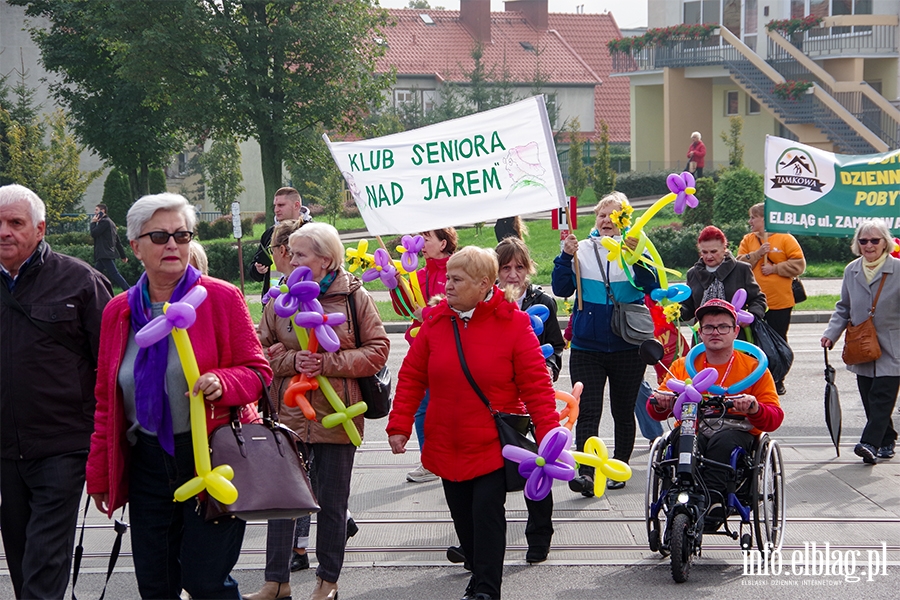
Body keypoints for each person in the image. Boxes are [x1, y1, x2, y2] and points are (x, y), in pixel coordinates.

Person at [85, 192, 272, 599]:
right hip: (147, 464)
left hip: (212, 456)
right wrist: (100, 472)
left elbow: (259, 373)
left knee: (206, 583)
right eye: (160, 236)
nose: (173, 244)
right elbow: (106, 400)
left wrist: (224, 382)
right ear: (135, 246)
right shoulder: (118, 311)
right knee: (156, 584)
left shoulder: (220, 297)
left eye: (182, 235)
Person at [388, 246, 559, 600]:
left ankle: (485, 589)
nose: (446, 285)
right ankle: (477, 572)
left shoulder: (513, 324)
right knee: (465, 524)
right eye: (447, 277)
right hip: (445, 442)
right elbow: (411, 377)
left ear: (484, 284)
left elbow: (537, 387)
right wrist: (400, 425)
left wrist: (549, 436)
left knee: (487, 518)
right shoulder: (435, 322)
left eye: (456, 279)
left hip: (491, 446)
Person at [257, 222, 389, 600]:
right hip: (288, 415)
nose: (290, 259)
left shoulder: (352, 296)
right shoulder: (280, 298)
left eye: (299, 254)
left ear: (325, 259)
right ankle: (276, 582)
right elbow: (260, 349)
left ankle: (326, 582)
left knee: (332, 503)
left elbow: (378, 350)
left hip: (337, 415)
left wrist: (328, 363)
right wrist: (291, 360)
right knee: (282, 500)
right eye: (289, 252)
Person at [0, 184, 113, 600]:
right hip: (5, 451)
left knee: (45, 560)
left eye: (15, 223)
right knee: (21, 556)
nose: (4, 232)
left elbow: (112, 363)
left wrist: (108, 441)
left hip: (62, 445)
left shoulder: (80, 280)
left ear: (40, 229)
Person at [551, 192, 659, 496]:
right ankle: (586, 473)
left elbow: (652, 285)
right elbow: (561, 288)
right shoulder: (581, 249)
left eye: (615, 216)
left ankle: (619, 467)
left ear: (625, 221)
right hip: (588, 347)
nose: (607, 221)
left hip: (628, 344)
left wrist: (636, 257)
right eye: (602, 215)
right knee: (587, 412)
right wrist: (564, 256)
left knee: (623, 411)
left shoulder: (636, 248)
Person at [648, 298, 783, 528]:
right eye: (708, 327)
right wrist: (662, 402)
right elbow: (656, 408)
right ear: (700, 333)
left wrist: (753, 407)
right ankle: (681, 493)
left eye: (723, 327)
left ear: (735, 331)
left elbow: (774, 416)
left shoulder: (753, 368)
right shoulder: (684, 365)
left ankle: (712, 500)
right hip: (694, 424)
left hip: (736, 429)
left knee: (724, 441)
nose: (715, 333)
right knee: (683, 438)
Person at [496, 236, 564, 562]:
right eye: (506, 267)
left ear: (528, 269)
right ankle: (478, 543)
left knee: (540, 465)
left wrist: (548, 371)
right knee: (488, 473)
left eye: (519, 267)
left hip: (535, 397)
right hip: (499, 400)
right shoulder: (485, 300)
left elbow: (556, 348)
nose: (513, 274)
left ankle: (539, 537)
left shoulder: (543, 302)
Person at [821, 220, 899, 465]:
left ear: (885, 242)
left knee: (882, 396)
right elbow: (843, 308)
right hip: (861, 345)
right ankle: (887, 439)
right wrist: (831, 334)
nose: (869, 245)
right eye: (863, 241)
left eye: (875, 240)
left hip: (893, 345)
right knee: (868, 396)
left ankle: (869, 444)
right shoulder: (851, 270)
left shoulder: (897, 269)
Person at [389, 227, 458, 484]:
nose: (420, 242)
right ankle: (429, 460)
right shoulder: (418, 274)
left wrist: (426, 315)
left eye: (426, 237)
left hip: (453, 347)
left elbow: (457, 305)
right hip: (422, 349)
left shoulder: (458, 268)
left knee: (452, 406)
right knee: (422, 407)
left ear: (443, 243)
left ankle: (454, 455)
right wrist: (395, 284)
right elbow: (405, 309)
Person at [737, 203, 806, 394]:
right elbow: (739, 263)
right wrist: (758, 254)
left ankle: (778, 379)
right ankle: (755, 379)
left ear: (764, 219)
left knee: (778, 341)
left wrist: (775, 268)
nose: (750, 221)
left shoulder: (785, 238)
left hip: (780, 302)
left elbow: (799, 265)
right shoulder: (748, 240)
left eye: (753, 217)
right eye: (750, 217)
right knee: (753, 342)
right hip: (753, 304)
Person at [680, 225, 766, 325]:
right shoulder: (693, 273)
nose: (709, 256)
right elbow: (689, 308)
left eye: (713, 251)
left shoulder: (741, 269)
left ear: (724, 249)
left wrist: (752, 316)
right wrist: (676, 312)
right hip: (703, 335)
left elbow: (758, 299)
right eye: (704, 252)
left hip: (735, 334)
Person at [249, 187, 312, 299]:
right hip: (274, 302)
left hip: (306, 299)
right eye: (275, 206)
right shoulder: (270, 234)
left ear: (296, 205)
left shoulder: (312, 231)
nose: (276, 210)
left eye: (281, 205)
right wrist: (258, 269)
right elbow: (254, 272)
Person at [90, 202, 131, 290]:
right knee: (95, 274)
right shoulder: (111, 223)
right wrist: (123, 256)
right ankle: (91, 290)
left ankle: (128, 290)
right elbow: (117, 242)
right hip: (106, 253)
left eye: (96, 210)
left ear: (102, 211)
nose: (95, 212)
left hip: (104, 253)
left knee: (114, 274)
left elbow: (94, 233)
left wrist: (93, 223)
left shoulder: (104, 222)